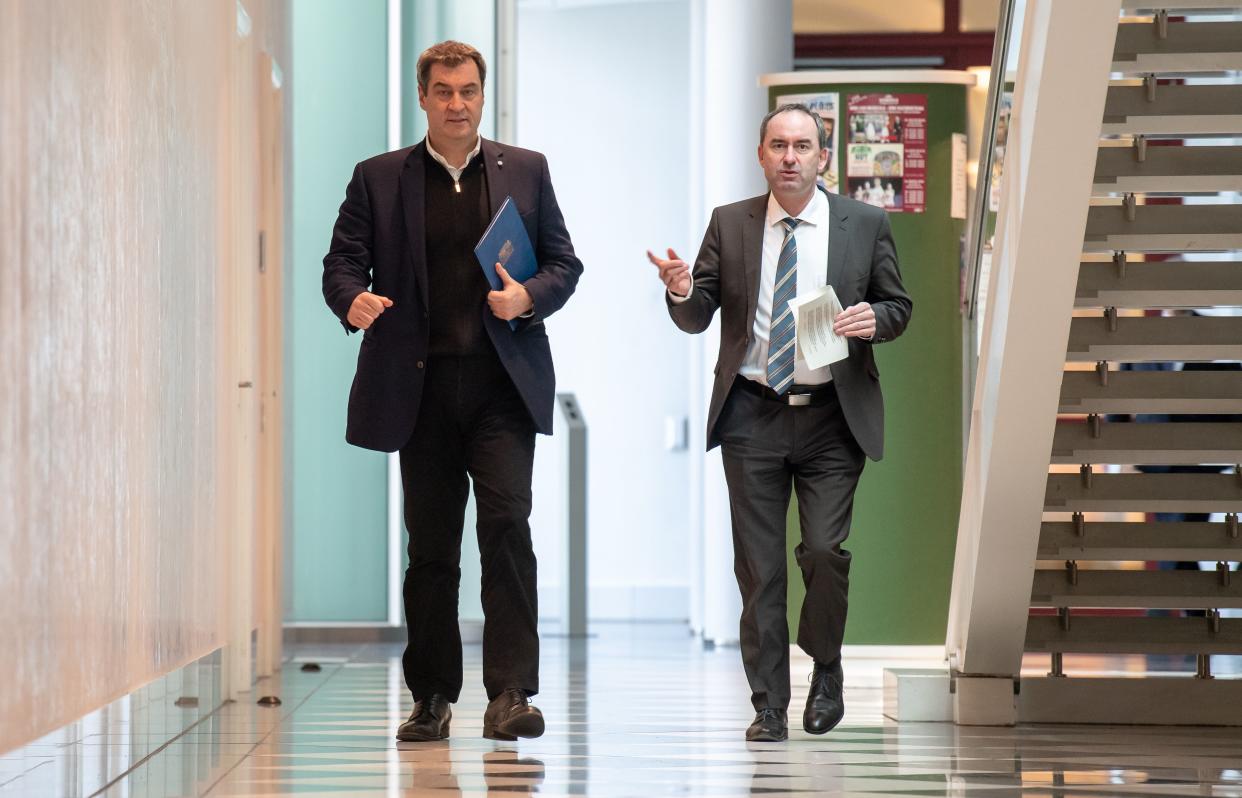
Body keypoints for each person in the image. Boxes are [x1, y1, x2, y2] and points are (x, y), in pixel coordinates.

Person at [321, 40, 583, 743]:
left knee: (506, 529)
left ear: (481, 94)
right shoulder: (379, 179)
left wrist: (527, 296)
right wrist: (354, 301)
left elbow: (565, 263)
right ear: (423, 98)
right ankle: (432, 695)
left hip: (502, 389)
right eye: (444, 91)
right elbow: (341, 264)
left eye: (468, 90)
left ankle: (511, 695)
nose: (457, 104)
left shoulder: (525, 171)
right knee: (431, 548)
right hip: (421, 389)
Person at [646, 103, 911, 742]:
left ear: (823, 157)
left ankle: (826, 669)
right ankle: (769, 705)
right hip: (752, 414)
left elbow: (898, 306)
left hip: (831, 416)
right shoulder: (730, 225)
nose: (790, 156)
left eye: (802, 146)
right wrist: (682, 288)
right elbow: (697, 313)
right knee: (759, 569)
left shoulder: (863, 222)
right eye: (778, 145)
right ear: (761, 155)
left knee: (822, 550)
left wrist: (875, 320)